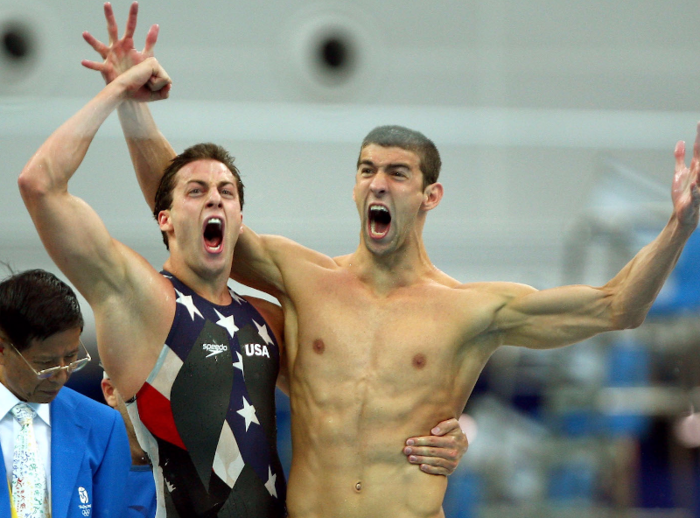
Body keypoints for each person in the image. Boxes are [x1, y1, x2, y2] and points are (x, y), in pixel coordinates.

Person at [81, 2, 700, 518]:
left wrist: (679, 225)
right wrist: (133, 105)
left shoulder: (474, 309)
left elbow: (619, 306)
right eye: (367, 171)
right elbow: (186, 207)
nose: (378, 184)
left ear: (431, 196)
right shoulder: (304, 278)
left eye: (397, 174)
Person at [20, 53, 465, 518]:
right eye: (196, 191)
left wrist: (446, 437)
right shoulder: (142, 301)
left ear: (238, 221)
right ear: (165, 220)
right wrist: (116, 94)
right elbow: (40, 185)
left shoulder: (267, 320)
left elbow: (361, 400)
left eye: (226, 192)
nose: (214, 196)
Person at [0, 268, 131, 518]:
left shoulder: (104, 427)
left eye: (71, 358)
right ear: (2, 349)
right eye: (46, 364)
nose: (62, 376)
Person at [101, 371, 157, 518]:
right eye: (143, 388)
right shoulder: (81, 471)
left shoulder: (211, 473)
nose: (158, 401)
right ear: (110, 392)